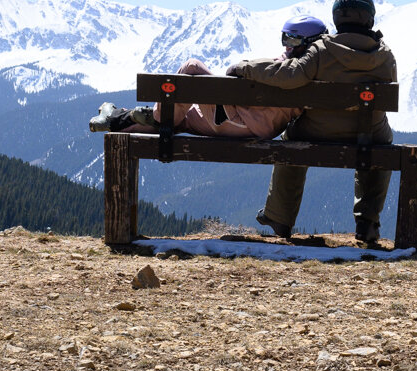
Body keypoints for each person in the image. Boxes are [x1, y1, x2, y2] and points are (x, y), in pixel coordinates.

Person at [226, 0, 397, 243]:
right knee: (382, 146)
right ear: (369, 19)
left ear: (337, 18)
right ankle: (367, 222)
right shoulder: (385, 55)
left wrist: (246, 68)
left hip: (316, 132)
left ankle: (279, 216)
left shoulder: (321, 50)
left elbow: (290, 74)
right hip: (368, 135)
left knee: (290, 139)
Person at [89, 15, 328, 139]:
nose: (286, 46)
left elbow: (234, 71)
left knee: (191, 67)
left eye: (292, 40)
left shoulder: (287, 70)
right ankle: (115, 120)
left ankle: (150, 116)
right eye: (284, 39)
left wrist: (243, 67)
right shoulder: (318, 70)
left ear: (308, 44)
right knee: (180, 119)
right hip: (254, 128)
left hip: (237, 120)